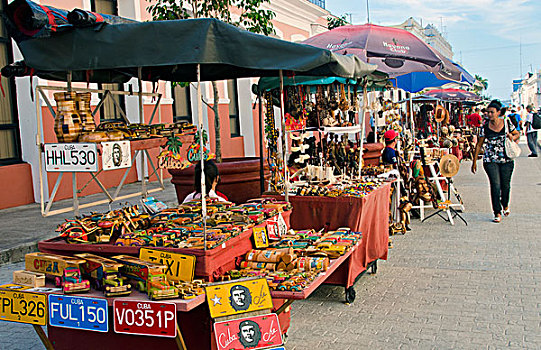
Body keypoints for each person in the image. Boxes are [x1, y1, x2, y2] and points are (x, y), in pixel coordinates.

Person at [471, 100, 520, 223]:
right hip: (490, 160)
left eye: (492, 112)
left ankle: (505, 204)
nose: (489, 114)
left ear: (498, 112)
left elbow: (517, 134)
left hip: (506, 159)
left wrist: (512, 137)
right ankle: (497, 212)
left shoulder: (507, 123)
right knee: (495, 185)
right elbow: (479, 145)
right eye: (487, 112)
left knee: (506, 185)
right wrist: (474, 161)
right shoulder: (485, 127)